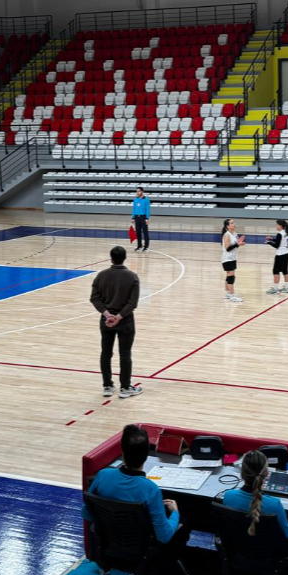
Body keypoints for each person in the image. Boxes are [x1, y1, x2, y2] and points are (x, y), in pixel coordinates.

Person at [84, 424, 180, 543]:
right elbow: (164, 536)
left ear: (122, 451)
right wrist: (175, 513)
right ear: (147, 455)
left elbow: (86, 513)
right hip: (143, 549)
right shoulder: (151, 489)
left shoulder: (102, 476)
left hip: (108, 545)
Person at [90, 246, 142, 399]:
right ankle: (125, 388)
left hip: (106, 322)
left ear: (111, 258)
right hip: (125, 321)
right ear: (124, 258)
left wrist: (107, 315)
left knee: (106, 353)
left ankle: (107, 386)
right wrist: (118, 317)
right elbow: (133, 303)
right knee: (125, 354)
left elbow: (94, 298)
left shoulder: (101, 276)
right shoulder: (132, 277)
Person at [221, 450, 288, 540]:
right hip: (269, 548)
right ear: (267, 474)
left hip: (238, 545)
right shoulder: (275, 504)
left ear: (242, 473)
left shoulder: (228, 496)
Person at [265, 218, 288, 295]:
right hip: (287, 253)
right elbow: (280, 241)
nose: (276, 226)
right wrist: (272, 239)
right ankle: (287, 288)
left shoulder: (279, 234)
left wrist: (269, 242)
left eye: (277, 224)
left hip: (280, 254)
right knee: (285, 270)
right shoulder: (286, 232)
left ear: (280, 226)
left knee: (276, 271)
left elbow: (276, 245)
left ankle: (275, 289)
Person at [222, 218, 245, 303]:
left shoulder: (235, 234)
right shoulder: (227, 235)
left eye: (234, 222)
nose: (234, 224)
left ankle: (227, 293)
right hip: (227, 258)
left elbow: (235, 245)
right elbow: (227, 248)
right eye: (231, 223)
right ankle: (232, 296)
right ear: (228, 226)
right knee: (231, 277)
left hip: (233, 258)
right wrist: (237, 244)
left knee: (229, 276)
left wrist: (239, 244)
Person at [131, 187, 150, 252]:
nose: (137, 192)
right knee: (138, 232)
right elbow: (134, 209)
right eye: (137, 191)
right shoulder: (135, 199)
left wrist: (147, 218)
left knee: (145, 232)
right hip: (137, 217)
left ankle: (146, 247)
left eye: (139, 191)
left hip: (143, 217)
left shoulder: (146, 200)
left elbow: (147, 210)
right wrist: (133, 217)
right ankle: (139, 246)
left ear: (142, 191)